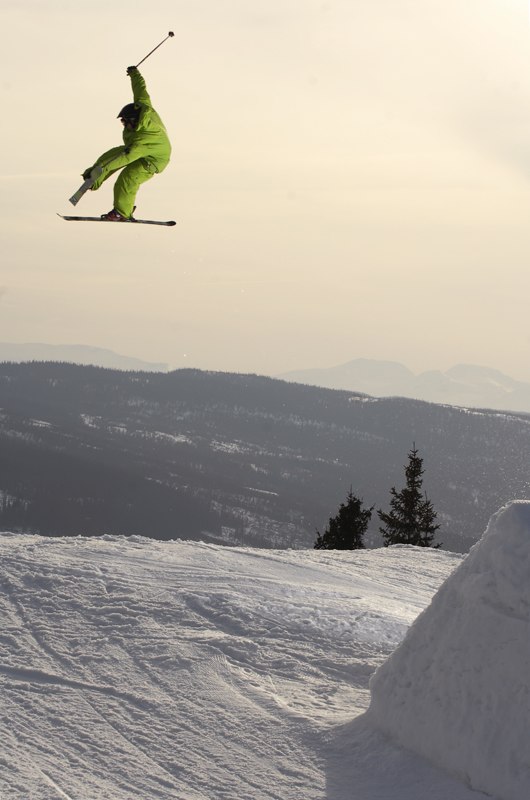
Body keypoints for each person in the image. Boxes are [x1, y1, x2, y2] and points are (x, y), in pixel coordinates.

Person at [82, 66, 171, 221]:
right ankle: (96, 179)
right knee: (110, 155)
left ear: (133, 120)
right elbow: (140, 90)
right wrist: (134, 74)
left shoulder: (142, 138)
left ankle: (122, 212)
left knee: (127, 178)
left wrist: (98, 173)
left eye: (125, 121)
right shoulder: (143, 107)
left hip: (152, 160)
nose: (123, 124)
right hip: (142, 150)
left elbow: (122, 159)